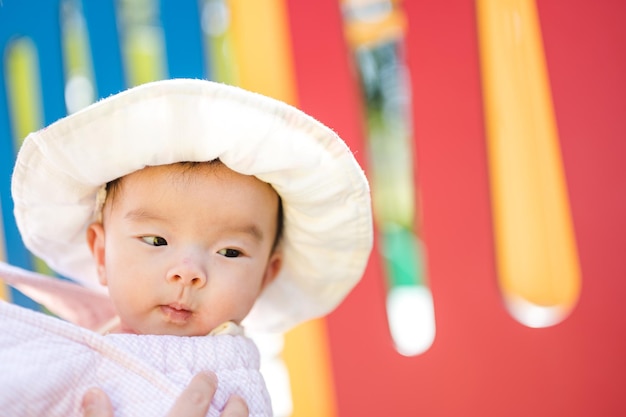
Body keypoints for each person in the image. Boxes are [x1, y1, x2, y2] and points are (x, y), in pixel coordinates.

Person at [1, 78, 373, 416]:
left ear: (265, 275)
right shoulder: (55, 361)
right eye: (156, 240)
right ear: (101, 252)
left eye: (229, 251)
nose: (188, 271)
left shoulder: (233, 389)